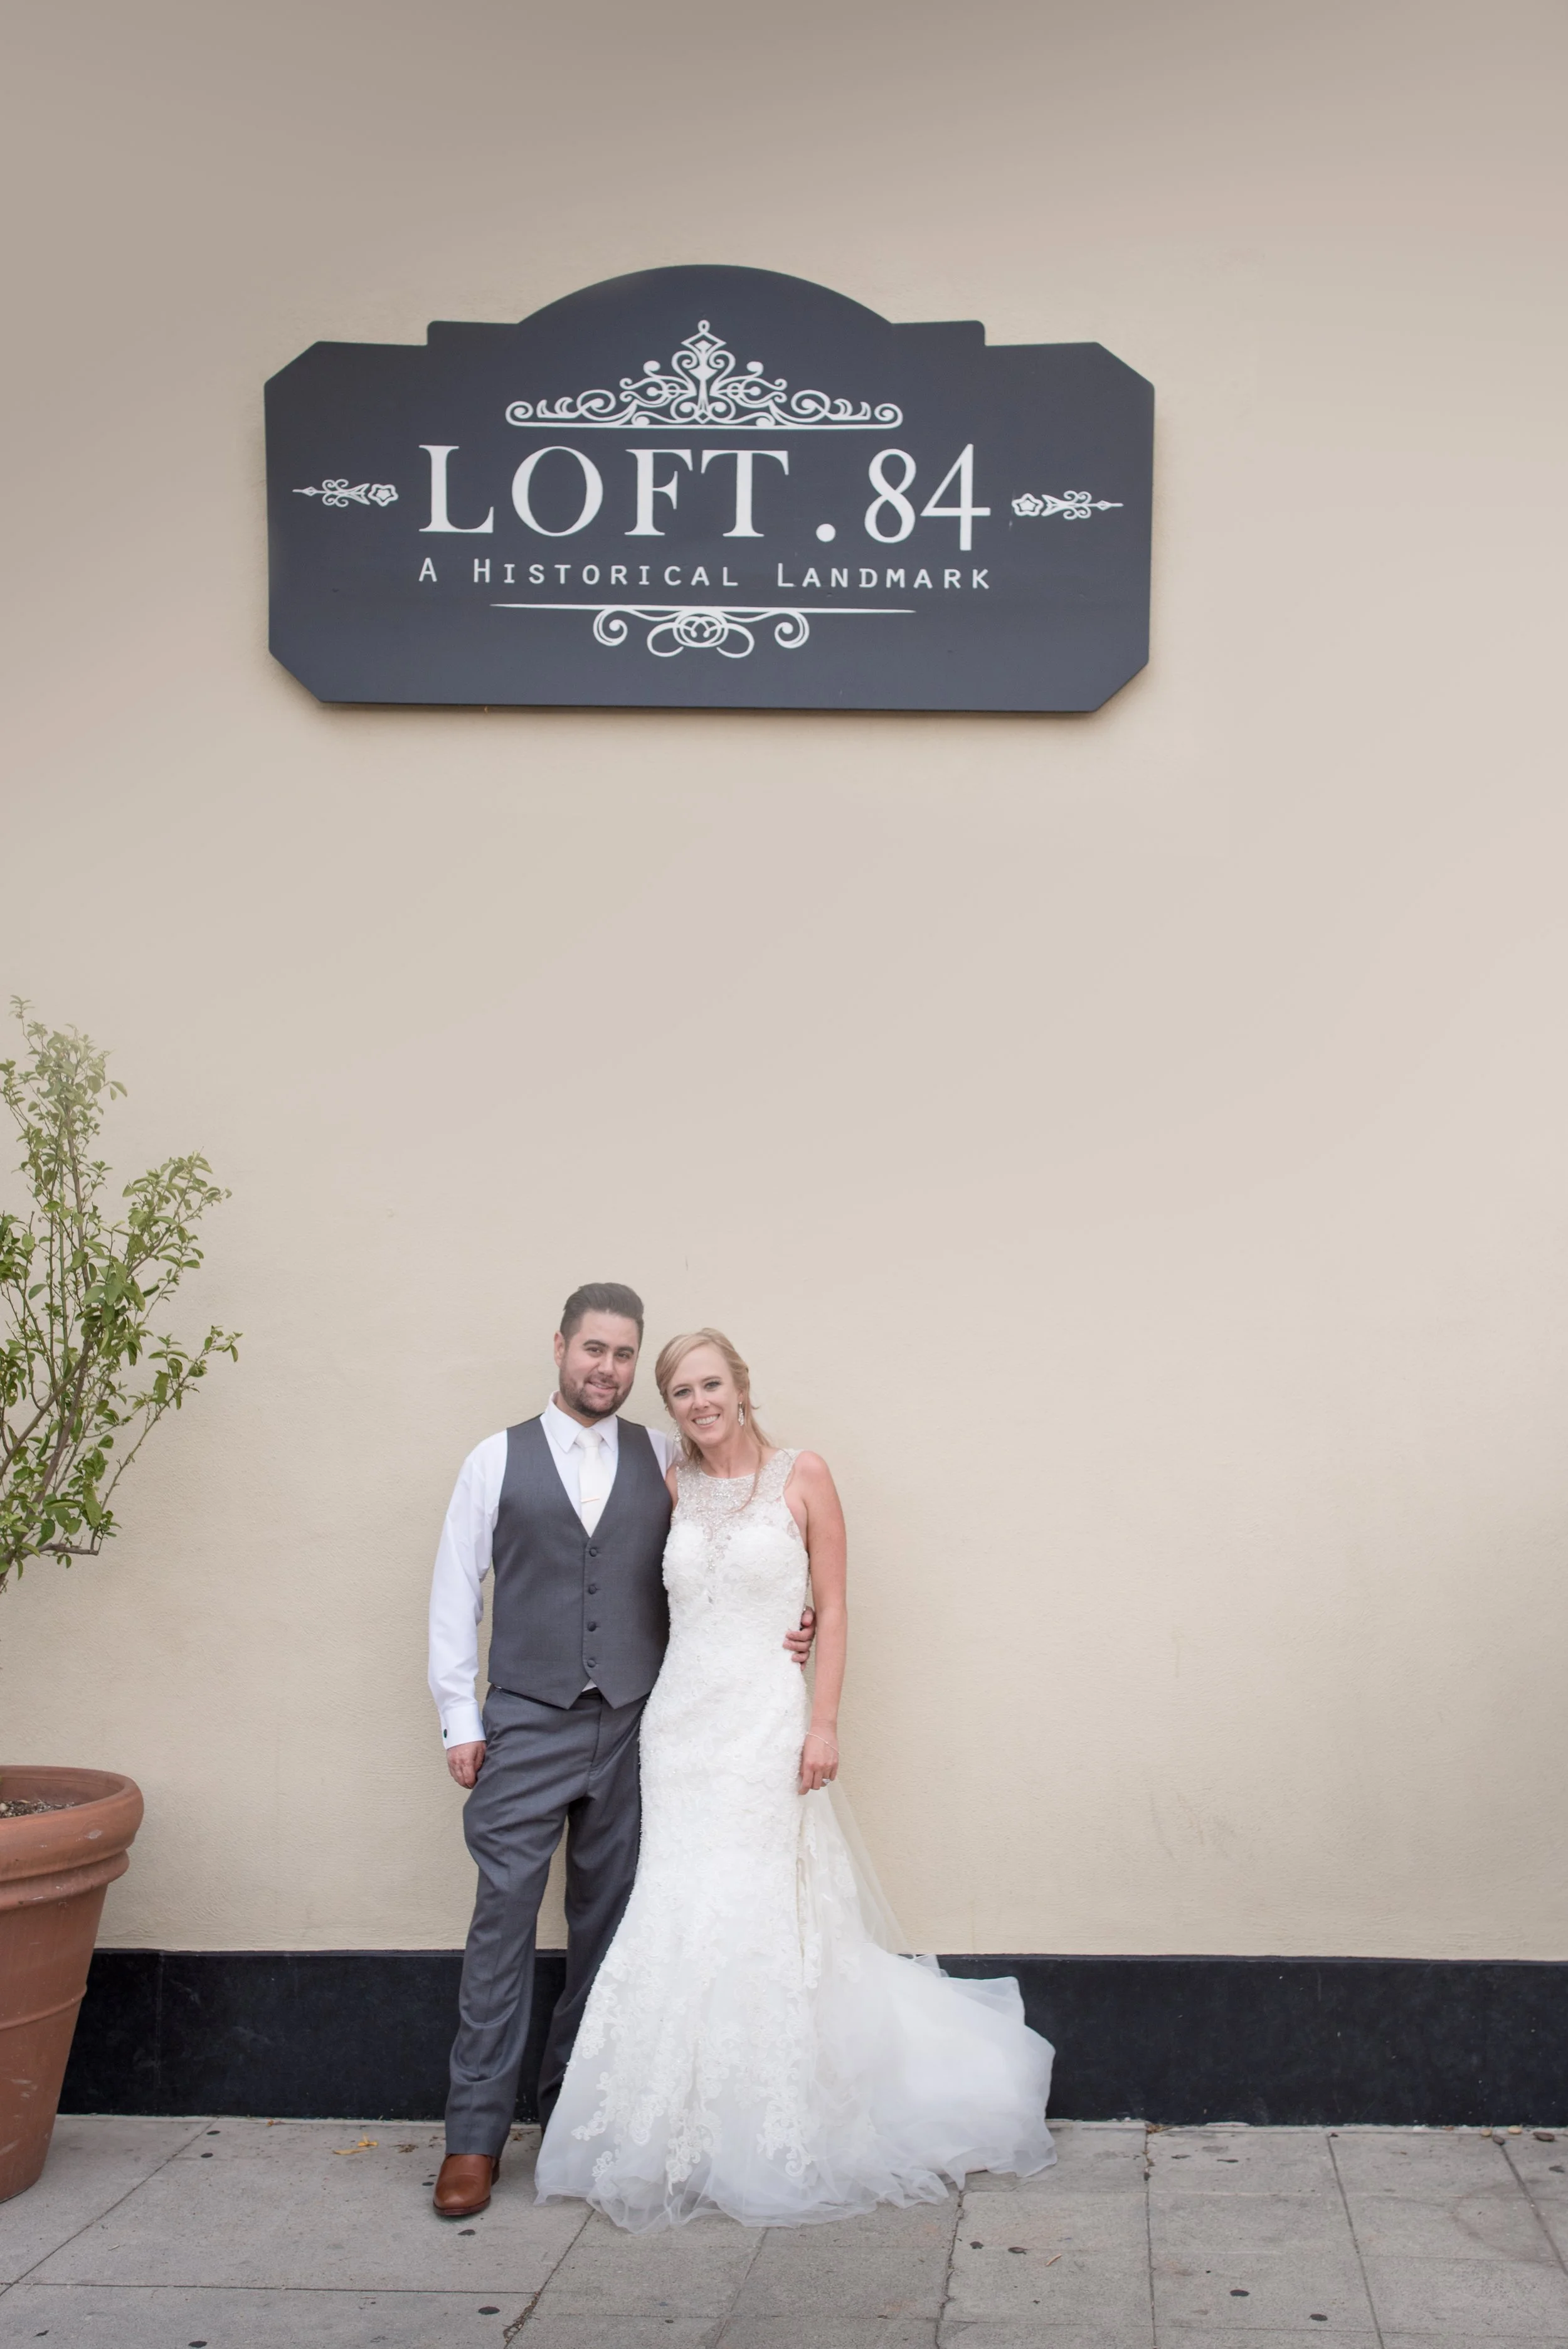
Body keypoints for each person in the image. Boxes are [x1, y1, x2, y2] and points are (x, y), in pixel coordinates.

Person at [533, 1328, 1055, 2232]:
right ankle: (672, 2127)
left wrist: (822, 1719)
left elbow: (838, 1604)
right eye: (681, 1393)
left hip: (768, 1721)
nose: (699, 1403)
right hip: (681, 1726)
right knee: (677, 1904)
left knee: (758, 1906)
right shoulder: (671, 1484)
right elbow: (632, 1600)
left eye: (711, 1384)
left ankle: (768, 2122)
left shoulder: (804, 1475)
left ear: (740, 1384)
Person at [426, 1285, 816, 2220]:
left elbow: (726, 1553)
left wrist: (789, 1614)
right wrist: (460, 1719)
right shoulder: (494, 1458)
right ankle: (473, 2138)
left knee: (608, 1928)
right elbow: (455, 1585)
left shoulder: (662, 1455)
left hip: (640, 1725)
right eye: (592, 1349)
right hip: (525, 1720)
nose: (606, 1368)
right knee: (503, 1925)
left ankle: (575, 2115)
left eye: (622, 1355)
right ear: (560, 1347)